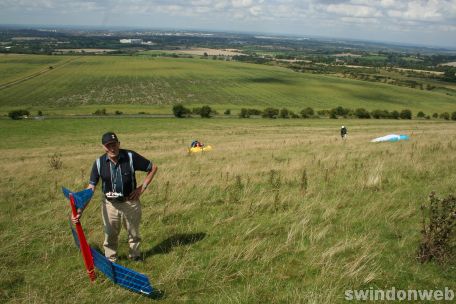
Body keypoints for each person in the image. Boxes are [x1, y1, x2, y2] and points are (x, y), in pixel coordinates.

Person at [72, 132, 158, 262]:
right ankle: (111, 259)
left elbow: (153, 168)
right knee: (110, 235)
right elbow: (90, 189)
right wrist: (80, 210)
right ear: (103, 147)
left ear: (119, 144)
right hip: (110, 205)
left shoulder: (130, 156)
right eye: (108, 145)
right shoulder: (99, 163)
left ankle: (135, 257)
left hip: (131, 203)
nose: (112, 148)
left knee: (134, 233)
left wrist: (142, 188)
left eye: (114, 144)